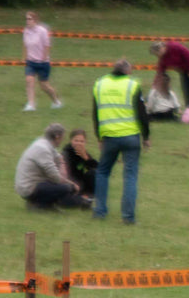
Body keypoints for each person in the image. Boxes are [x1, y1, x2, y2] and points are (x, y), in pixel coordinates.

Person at [91, 58, 151, 224]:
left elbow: (95, 112)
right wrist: (146, 136)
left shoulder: (100, 84)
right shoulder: (132, 84)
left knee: (102, 172)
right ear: (127, 71)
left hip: (109, 136)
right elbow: (142, 113)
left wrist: (99, 136)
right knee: (130, 176)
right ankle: (128, 217)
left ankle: (99, 211)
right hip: (130, 137)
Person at [16, 123, 85, 209]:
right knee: (66, 189)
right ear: (57, 137)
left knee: (64, 188)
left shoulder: (42, 143)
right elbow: (54, 177)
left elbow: (58, 157)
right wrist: (71, 185)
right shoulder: (43, 149)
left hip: (30, 185)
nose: (62, 140)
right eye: (62, 137)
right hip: (29, 188)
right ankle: (39, 205)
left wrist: (61, 163)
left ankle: (46, 205)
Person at [22, 11, 63, 112]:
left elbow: (47, 45)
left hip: (42, 63)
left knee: (44, 86)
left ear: (35, 20)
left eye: (29, 19)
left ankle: (56, 101)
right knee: (29, 81)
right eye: (26, 19)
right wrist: (24, 57)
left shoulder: (42, 31)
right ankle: (31, 104)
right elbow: (25, 45)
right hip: (31, 62)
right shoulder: (26, 31)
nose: (27, 21)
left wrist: (44, 58)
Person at [61, 128, 98, 198]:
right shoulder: (66, 153)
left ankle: (89, 195)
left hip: (81, 183)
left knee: (93, 173)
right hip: (70, 183)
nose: (79, 143)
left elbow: (99, 169)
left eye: (81, 141)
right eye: (76, 141)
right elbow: (65, 175)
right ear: (71, 141)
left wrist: (86, 158)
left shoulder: (83, 152)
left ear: (85, 142)